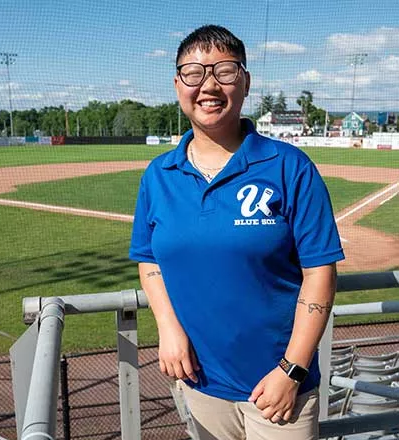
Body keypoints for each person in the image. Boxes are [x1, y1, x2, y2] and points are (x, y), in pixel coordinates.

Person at [129, 25, 344, 440]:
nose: (209, 85)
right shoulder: (158, 175)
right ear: (178, 85)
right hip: (200, 384)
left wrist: (292, 370)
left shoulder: (289, 167)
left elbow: (321, 273)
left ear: (245, 82)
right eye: (194, 72)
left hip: (280, 389)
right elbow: (149, 258)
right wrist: (168, 329)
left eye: (224, 71)